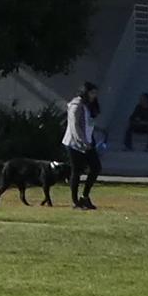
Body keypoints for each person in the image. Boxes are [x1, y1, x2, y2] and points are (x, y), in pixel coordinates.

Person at [61, 81, 104, 209]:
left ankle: (85, 196)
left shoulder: (89, 106)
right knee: (76, 171)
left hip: (88, 142)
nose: (94, 96)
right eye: (92, 93)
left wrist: (90, 140)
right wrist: (81, 141)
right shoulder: (76, 105)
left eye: (95, 93)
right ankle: (75, 201)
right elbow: (74, 125)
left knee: (96, 167)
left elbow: (89, 124)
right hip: (75, 143)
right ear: (85, 92)